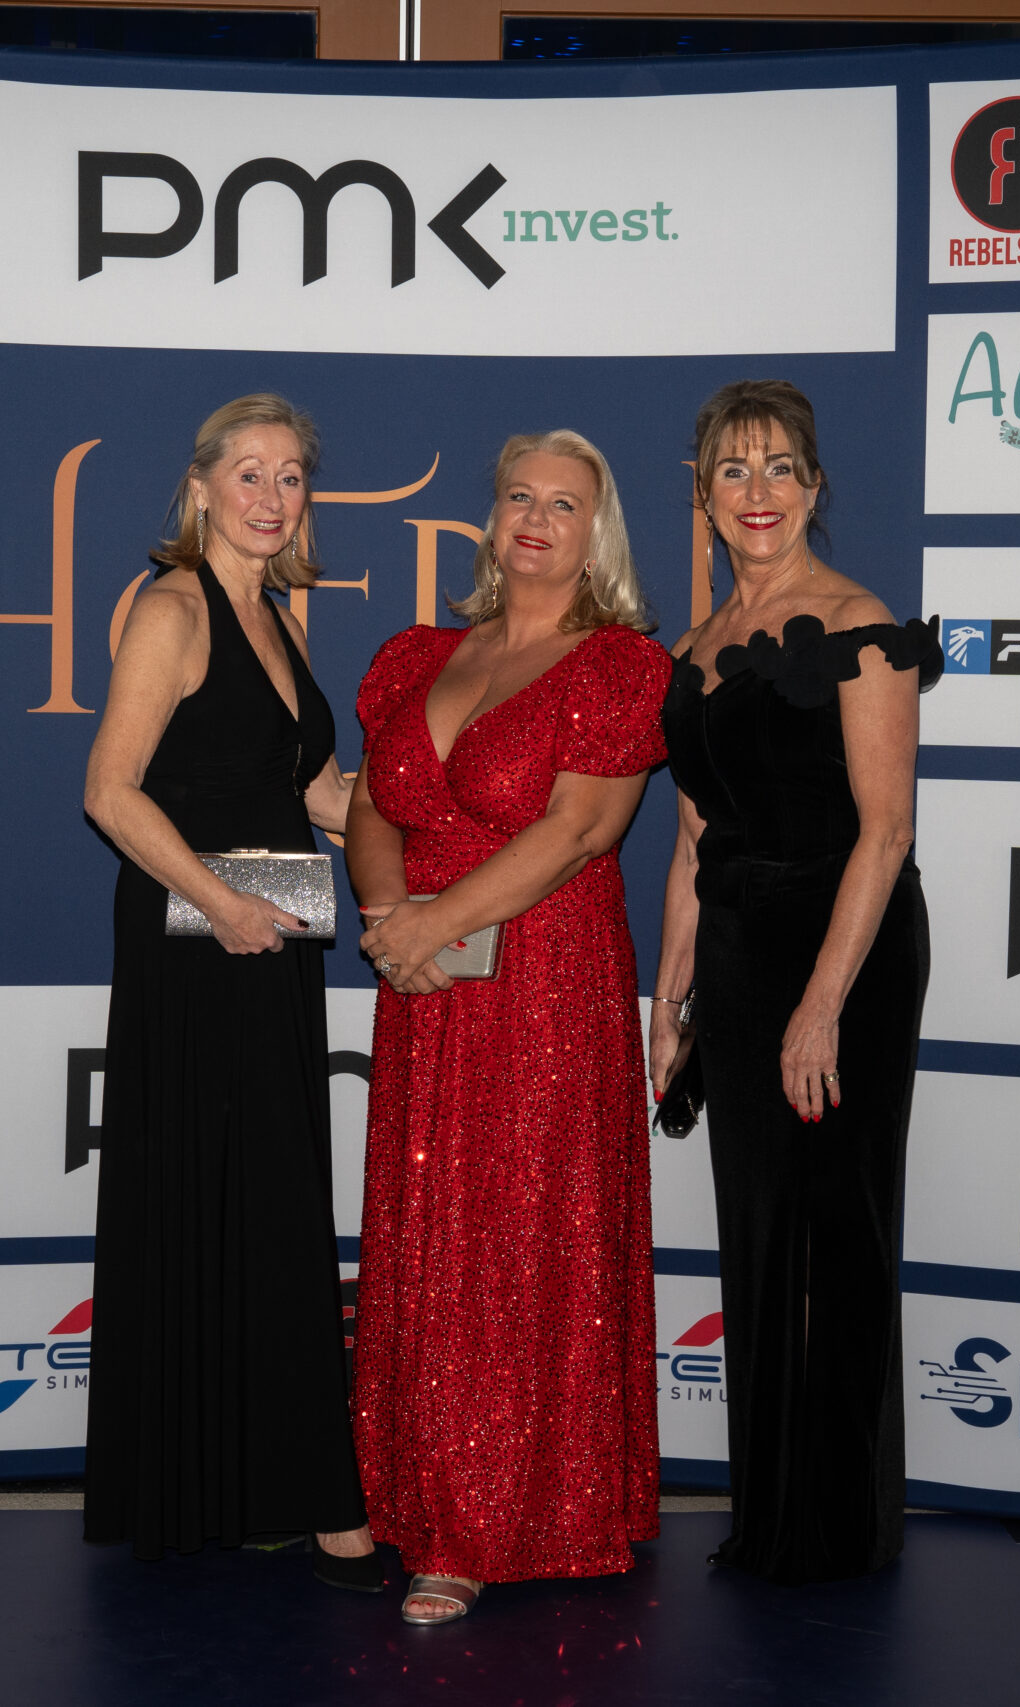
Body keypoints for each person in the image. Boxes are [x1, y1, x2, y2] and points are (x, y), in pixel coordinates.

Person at [347, 430, 671, 1626]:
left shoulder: (621, 666)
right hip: (422, 976)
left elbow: (582, 832)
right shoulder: (417, 654)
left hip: (543, 975)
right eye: (519, 497)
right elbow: (375, 803)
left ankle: (483, 1524)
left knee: (517, 1233)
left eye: (565, 504)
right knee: (429, 1228)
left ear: (598, 533)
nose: (537, 518)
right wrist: (387, 919)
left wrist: (435, 923)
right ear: (489, 520)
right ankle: (415, 1492)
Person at [81, 394, 380, 1590]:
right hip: (200, 946)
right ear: (200, 485)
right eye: (248, 473)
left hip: (269, 938)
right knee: (225, 1203)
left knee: (266, 1209)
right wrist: (220, 903)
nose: (271, 495)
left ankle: (262, 1482)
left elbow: (320, 796)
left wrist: (461, 827)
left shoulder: (272, 615)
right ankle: (314, 1505)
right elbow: (110, 790)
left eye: (291, 475)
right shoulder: (173, 607)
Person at [651, 380, 939, 1585]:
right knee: (760, 1229)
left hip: (847, 953)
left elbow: (886, 831)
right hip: (736, 951)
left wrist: (822, 1005)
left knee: (837, 1228)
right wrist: (670, 999)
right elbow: (691, 838)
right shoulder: (693, 650)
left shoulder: (860, 624)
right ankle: (771, 1514)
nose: (756, 491)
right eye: (733, 469)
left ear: (814, 488)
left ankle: (837, 1522)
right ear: (704, 496)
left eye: (779, 468)